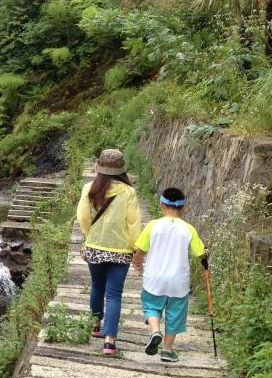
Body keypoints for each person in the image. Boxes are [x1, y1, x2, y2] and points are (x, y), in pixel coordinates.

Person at [76, 149, 142, 356]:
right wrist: (135, 249)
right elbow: (134, 223)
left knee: (97, 286)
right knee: (114, 294)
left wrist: (91, 236)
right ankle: (110, 340)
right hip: (121, 250)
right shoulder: (128, 192)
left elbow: (83, 217)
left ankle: (96, 325)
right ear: (121, 170)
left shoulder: (90, 188)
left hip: (95, 247)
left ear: (99, 167)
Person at [132, 187, 207, 363]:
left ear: (161, 205)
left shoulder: (153, 225)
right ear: (183, 207)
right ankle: (167, 350)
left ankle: (155, 331)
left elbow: (140, 250)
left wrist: (137, 261)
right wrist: (206, 254)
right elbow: (200, 253)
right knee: (175, 314)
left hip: (154, 278)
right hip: (178, 281)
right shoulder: (189, 229)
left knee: (151, 306)